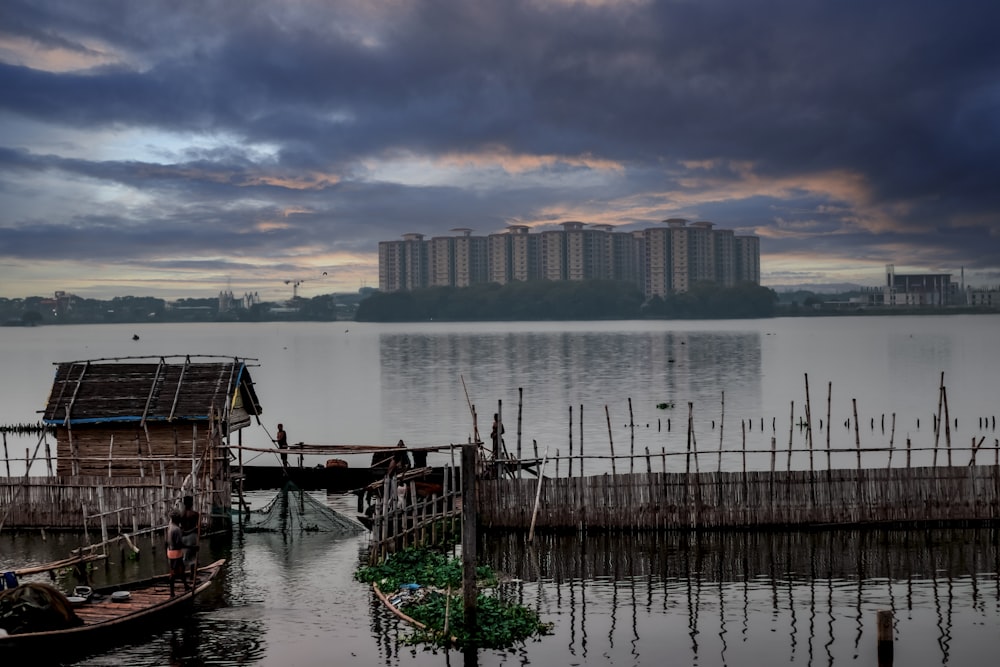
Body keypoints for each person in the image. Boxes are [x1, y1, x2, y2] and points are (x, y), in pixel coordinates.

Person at [166, 510, 188, 596]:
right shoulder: (177, 529)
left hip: (170, 551)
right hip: (176, 553)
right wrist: (191, 547)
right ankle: (172, 593)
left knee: (181, 569)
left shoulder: (170, 526)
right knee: (174, 573)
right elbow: (179, 544)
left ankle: (186, 586)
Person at [180, 495, 200, 585]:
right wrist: (196, 530)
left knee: (185, 557)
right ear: (192, 503)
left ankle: (183, 575)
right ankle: (192, 575)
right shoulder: (195, 514)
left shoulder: (181, 514)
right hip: (192, 536)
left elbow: (182, 529)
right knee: (193, 557)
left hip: (183, 537)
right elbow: (197, 528)